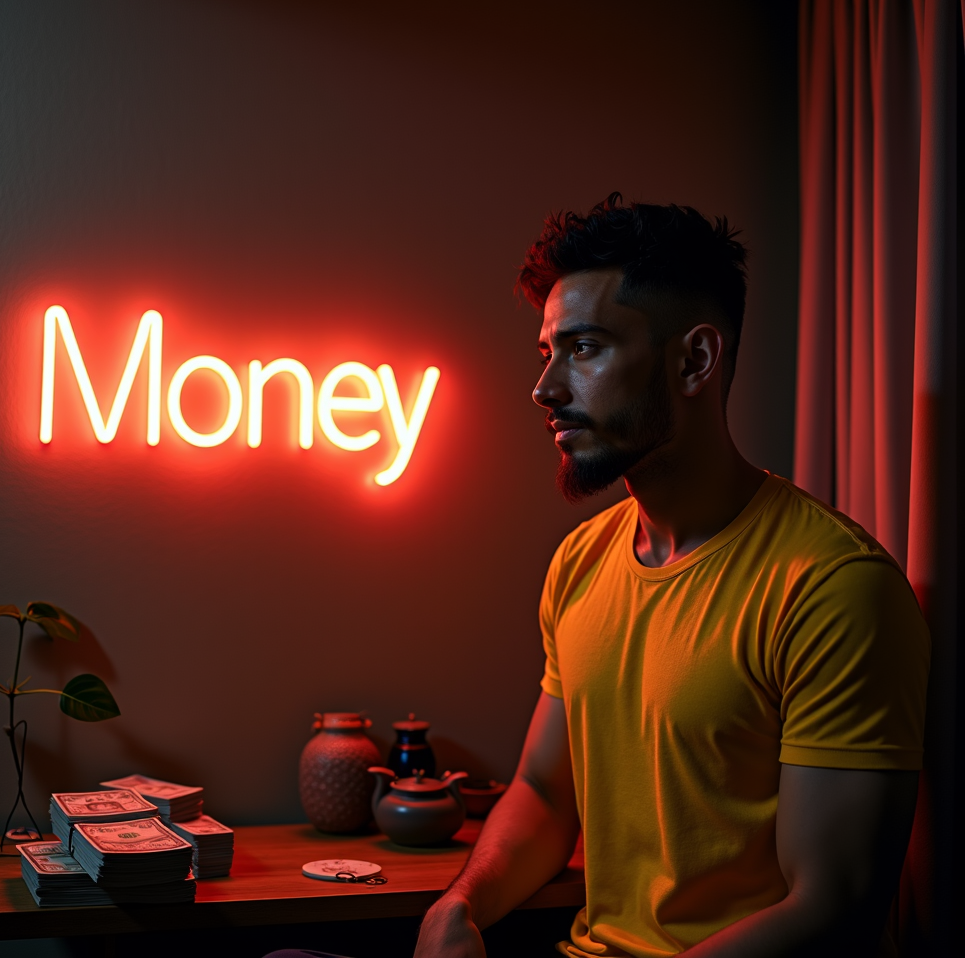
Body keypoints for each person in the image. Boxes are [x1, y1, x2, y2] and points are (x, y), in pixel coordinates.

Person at [264, 197, 929, 958]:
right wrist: (461, 907)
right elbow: (547, 796)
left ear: (695, 361)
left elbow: (832, 908)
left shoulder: (834, 589)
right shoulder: (582, 562)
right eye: (546, 352)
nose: (545, 389)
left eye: (583, 349)